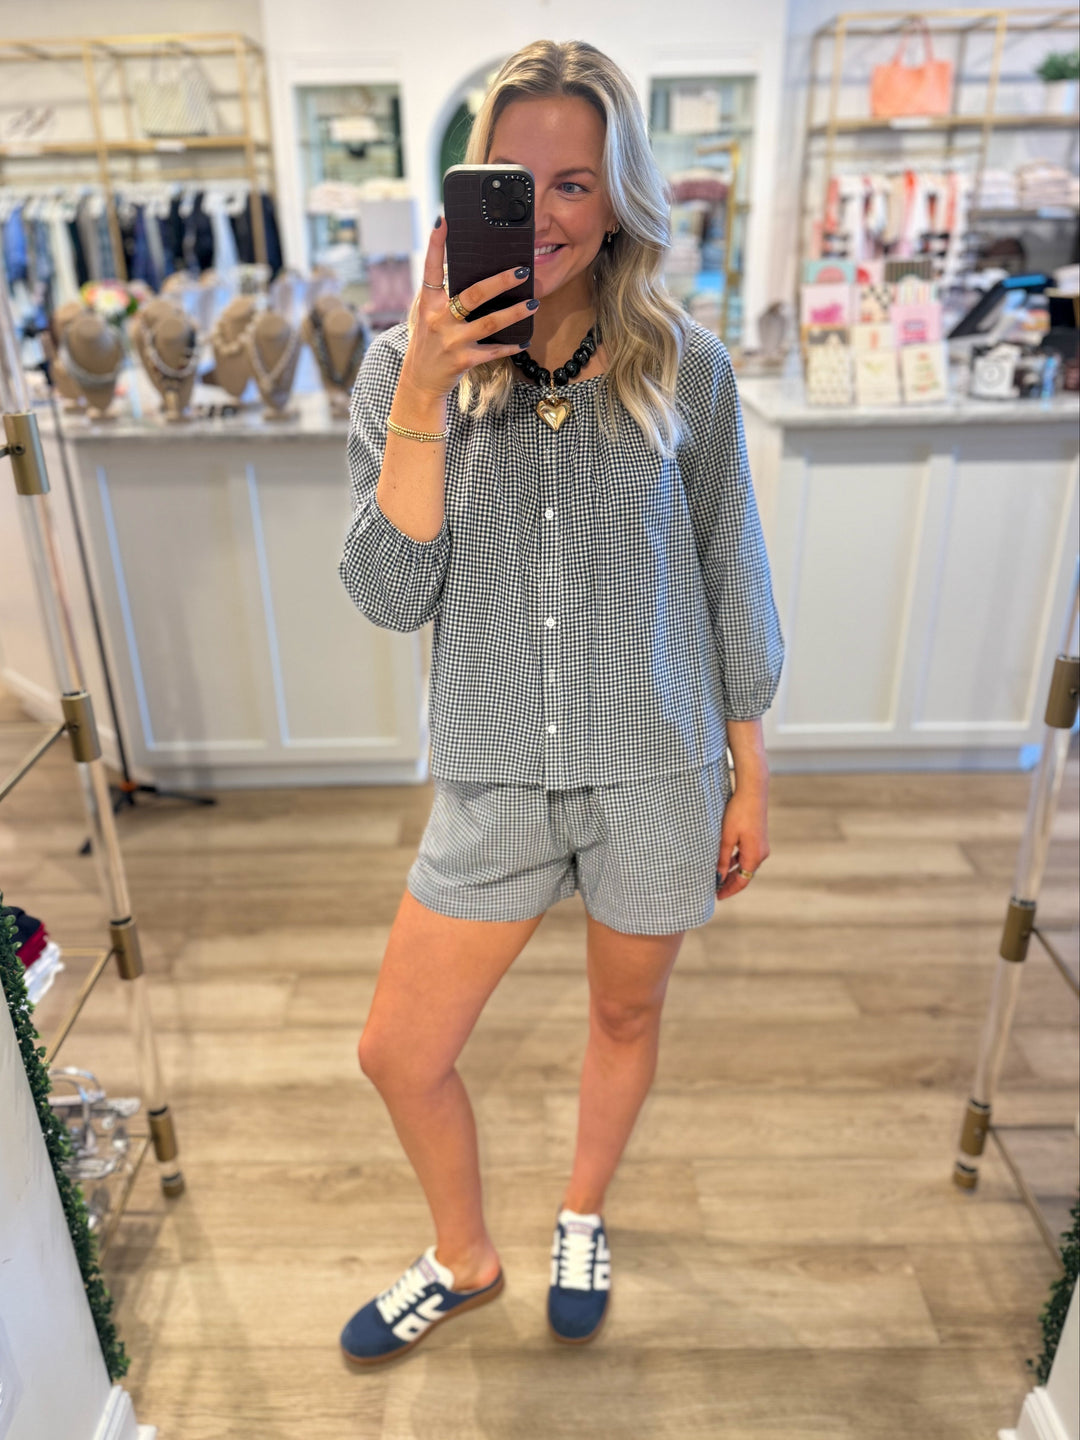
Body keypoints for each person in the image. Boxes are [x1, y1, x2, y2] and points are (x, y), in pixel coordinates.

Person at [337, 38, 784, 1367]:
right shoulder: (398, 369)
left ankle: (582, 1212)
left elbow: (730, 570)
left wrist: (752, 772)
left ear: (621, 196)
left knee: (625, 1014)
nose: (541, 214)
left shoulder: (686, 366)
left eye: (575, 182)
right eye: (510, 182)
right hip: (492, 770)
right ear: (463, 189)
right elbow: (388, 594)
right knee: (397, 1052)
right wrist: (426, 389)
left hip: (658, 761)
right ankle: (464, 1257)